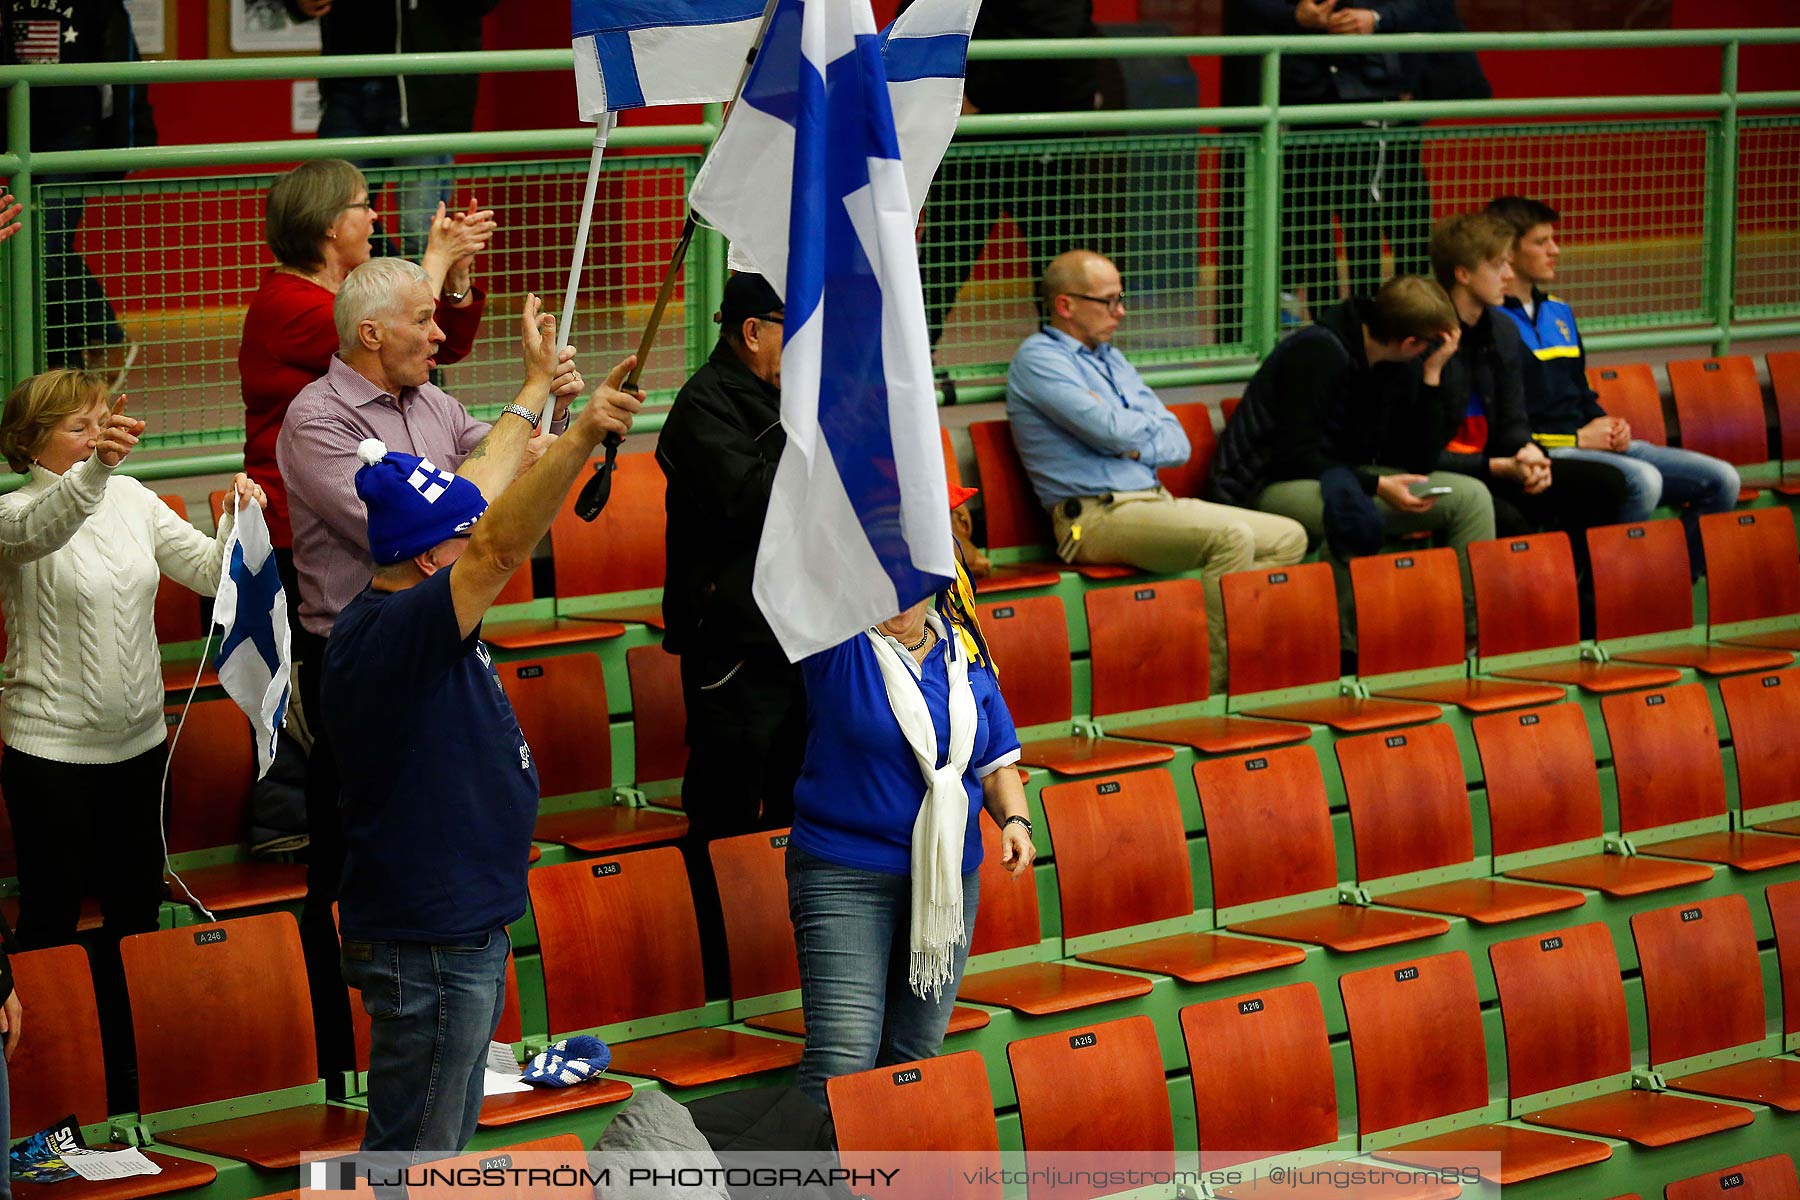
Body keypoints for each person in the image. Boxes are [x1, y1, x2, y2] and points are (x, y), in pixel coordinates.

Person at [325, 318, 643, 1157]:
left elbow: (477, 496)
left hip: (455, 929)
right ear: (432, 564)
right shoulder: (402, 631)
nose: (475, 538)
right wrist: (577, 438)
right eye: (458, 542)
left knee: (437, 1144)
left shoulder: (408, 586)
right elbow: (496, 544)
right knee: (415, 1159)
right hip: (428, 942)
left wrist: (536, 390)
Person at [277, 259, 582, 1078]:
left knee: (438, 839)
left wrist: (559, 424)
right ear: (371, 333)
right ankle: (343, 1061)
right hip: (363, 655)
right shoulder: (317, 421)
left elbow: (503, 477)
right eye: (424, 318)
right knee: (358, 867)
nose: (442, 332)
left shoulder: (435, 402)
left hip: (440, 640)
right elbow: (450, 517)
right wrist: (527, 404)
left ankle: (433, 1054)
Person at [0, 368, 266, 1111]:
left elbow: (212, 573)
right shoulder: (10, 513)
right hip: (48, 752)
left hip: (140, 747)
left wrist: (238, 519)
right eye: (79, 427)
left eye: (100, 423)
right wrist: (99, 467)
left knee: (136, 917)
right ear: (29, 443)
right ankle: (47, 1081)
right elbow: (47, 527)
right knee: (51, 918)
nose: (96, 438)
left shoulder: (131, 496)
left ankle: (128, 1077)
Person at [787, 506, 1034, 1107]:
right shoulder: (837, 649)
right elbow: (795, 572)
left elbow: (997, 761)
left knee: (914, 1056)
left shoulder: (965, 657)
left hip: (948, 880)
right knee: (841, 1061)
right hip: (844, 876)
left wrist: (1017, 821)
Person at [1006, 250, 1306, 690]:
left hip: (1153, 502)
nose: (1121, 312)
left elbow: (1177, 443)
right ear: (1065, 305)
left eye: (1120, 298)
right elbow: (1109, 430)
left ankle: (1220, 646)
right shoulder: (1039, 359)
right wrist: (1130, 434)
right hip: (1092, 518)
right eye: (1107, 301)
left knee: (1289, 536)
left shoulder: (1111, 359)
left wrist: (1129, 440)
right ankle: (1219, 682)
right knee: (1232, 538)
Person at [240, 158, 494, 634]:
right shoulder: (287, 304)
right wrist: (433, 260)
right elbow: (387, 333)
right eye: (364, 205)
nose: (376, 216)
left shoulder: (348, 300)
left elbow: (443, 345)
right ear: (330, 224)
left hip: (387, 496)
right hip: (315, 518)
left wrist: (455, 277)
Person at [656, 272, 805, 996]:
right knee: (722, 815)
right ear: (753, 331)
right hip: (734, 650)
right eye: (793, 324)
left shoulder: (792, 394)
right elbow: (754, 503)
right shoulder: (701, 405)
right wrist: (813, 434)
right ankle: (711, 974)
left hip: (803, 640)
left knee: (799, 808)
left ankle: (781, 965)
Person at [1209, 276, 1493, 634]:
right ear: (1410, 342)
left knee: (1472, 498)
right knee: (1350, 515)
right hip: (1272, 483)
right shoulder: (1317, 353)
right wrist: (1375, 485)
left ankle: (1470, 636)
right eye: (1429, 347)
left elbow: (1417, 460)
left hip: (1347, 474)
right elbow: (1294, 455)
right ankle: (1348, 652)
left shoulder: (1397, 363)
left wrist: (1432, 374)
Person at [1486, 194, 1740, 575]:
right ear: (1508, 251)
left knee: (1722, 480)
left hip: (1589, 442)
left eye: (1554, 239)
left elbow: (1580, 392)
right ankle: (1606, 593)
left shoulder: (1560, 311)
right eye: (1541, 242)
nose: (1555, 250)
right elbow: (1508, 425)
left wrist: (1611, 427)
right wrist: (1576, 441)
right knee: (1643, 481)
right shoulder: (1490, 324)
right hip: (1546, 451)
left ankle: (1669, 585)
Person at [908, 0, 1120, 352]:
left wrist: (974, 96)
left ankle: (1076, 368)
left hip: (1037, 133)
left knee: (1059, 264)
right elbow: (919, 16)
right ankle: (902, 371)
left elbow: (1054, 37)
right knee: (944, 258)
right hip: (985, 135)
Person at [1428, 212, 1629, 547]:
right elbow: (1421, 449)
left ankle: (1577, 590)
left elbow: (1513, 418)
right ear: (1462, 274)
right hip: (1449, 470)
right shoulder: (1428, 337)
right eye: (1498, 266)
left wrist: (1528, 454)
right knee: (1510, 520)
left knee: (1607, 484)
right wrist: (1499, 466)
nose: (1509, 275)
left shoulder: (1503, 330)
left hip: (1499, 463)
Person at [1, 0, 155, 386]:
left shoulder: (102, 7)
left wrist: (125, 144)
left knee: (44, 251)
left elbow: (122, 72)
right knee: (36, 246)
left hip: (72, 138)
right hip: (18, 135)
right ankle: (90, 342)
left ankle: (76, 359)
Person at [285, 0, 501, 258]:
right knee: (333, 217)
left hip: (424, 90)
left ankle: (416, 294)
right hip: (347, 82)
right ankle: (388, 289)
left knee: (418, 227)